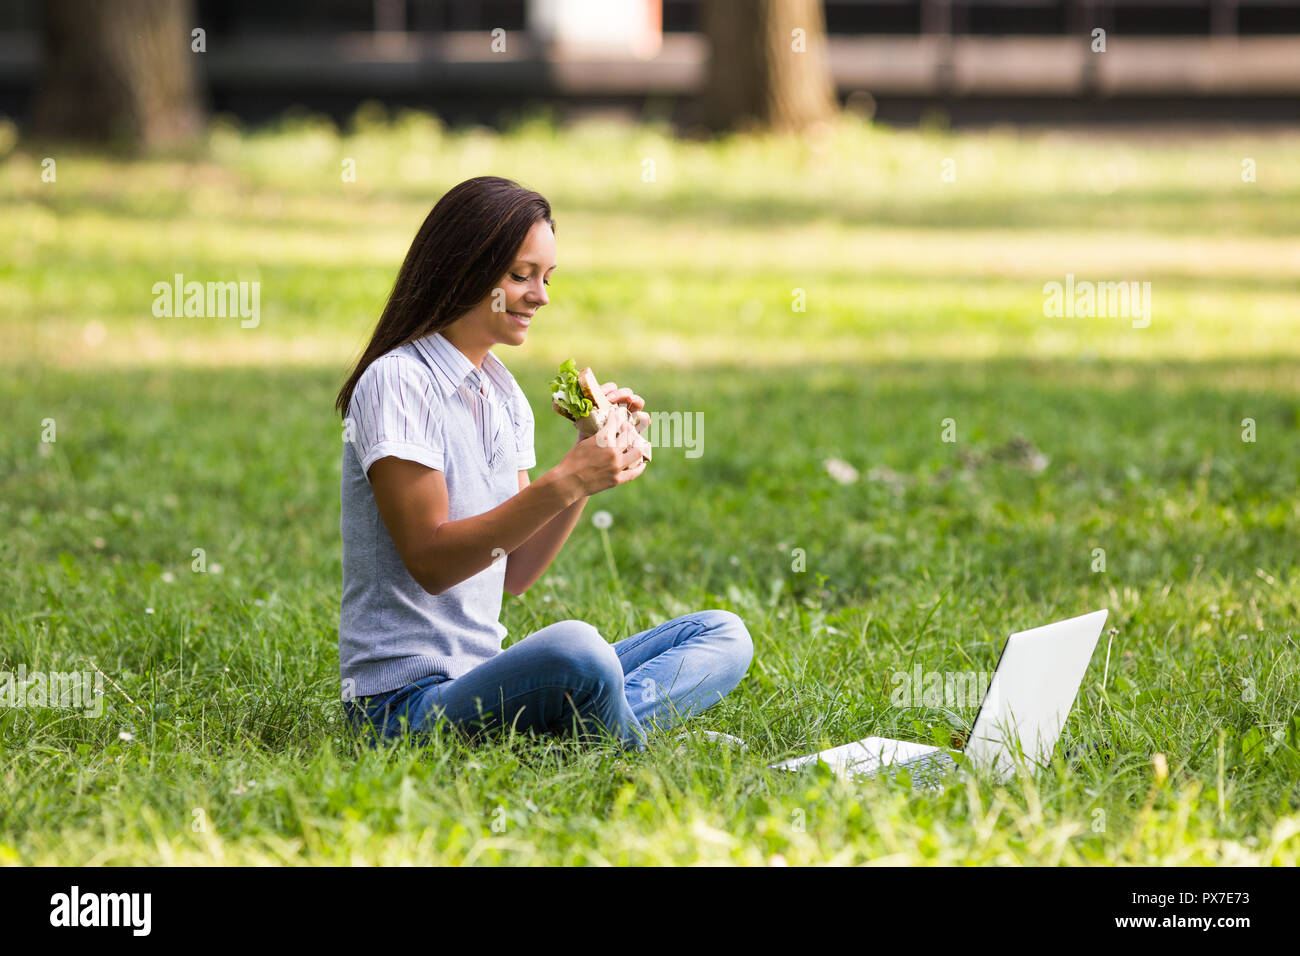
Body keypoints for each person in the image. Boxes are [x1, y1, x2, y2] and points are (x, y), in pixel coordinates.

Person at [335, 176, 752, 751]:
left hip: (485, 680)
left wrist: (584, 465)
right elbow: (431, 562)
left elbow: (517, 571)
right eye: (521, 275)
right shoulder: (398, 381)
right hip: (404, 709)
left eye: (547, 278)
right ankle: (627, 747)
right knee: (576, 651)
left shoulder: (501, 392)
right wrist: (566, 479)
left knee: (722, 633)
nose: (541, 296)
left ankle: (587, 732)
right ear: (463, 268)